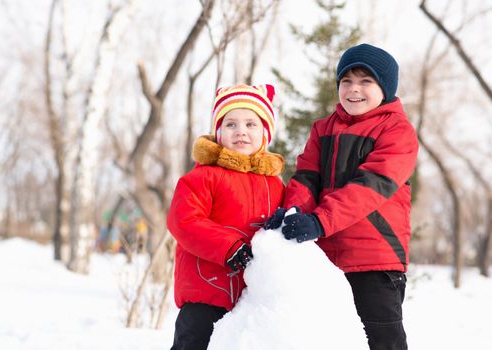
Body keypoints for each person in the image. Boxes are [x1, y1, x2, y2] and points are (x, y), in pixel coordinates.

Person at [266, 43, 419, 349]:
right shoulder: (323, 129)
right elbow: (307, 178)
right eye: (346, 81)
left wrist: (320, 221)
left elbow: (371, 187)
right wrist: (293, 213)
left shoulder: (397, 131)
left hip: (374, 260)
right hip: (323, 258)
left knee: (382, 341)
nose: (353, 89)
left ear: (385, 88)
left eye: (366, 81)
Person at [167, 84, 285, 350]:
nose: (241, 131)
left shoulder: (275, 185)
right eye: (230, 124)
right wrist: (227, 247)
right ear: (218, 132)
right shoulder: (203, 177)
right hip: (205, 292)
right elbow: (184, 220)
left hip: (251, 296)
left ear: (265, 133)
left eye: (251, 124)